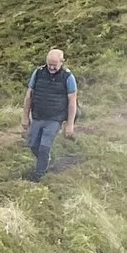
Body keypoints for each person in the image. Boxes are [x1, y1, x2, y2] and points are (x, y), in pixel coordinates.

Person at [22, 47, 79, 180]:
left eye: (55, 65)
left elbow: (72, 102)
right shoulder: (38, 73)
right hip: (38, 116)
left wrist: (70, 124)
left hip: (55, 119)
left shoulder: (68, 77)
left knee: (44, 147)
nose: (51, 68)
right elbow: (29, 96)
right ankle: (46, 161)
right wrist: (25, 117)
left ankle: (39, 175)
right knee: (33, 145)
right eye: (49, 64)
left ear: (62, 62)